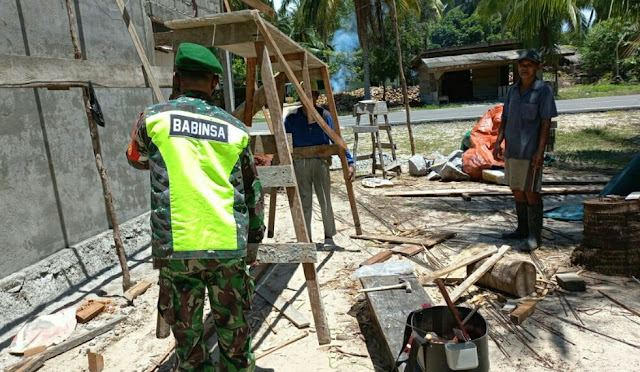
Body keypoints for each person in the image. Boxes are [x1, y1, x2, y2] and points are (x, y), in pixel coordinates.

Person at [126, 43, 264, 372]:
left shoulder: (154, 118)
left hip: (177, 247)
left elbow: (135, 157)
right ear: (215, 83)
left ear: (177, 79)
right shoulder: (235, 129)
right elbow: (252, 189)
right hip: (226, 245)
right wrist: (254, 238)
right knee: (234, 335)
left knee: (188, 340)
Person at [493, 49, 558, 251]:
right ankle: (522, 230)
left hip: (530, 152)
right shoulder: (512, 91)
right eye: (521, 64)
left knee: (531, 192)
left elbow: (546, 123)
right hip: (512, 150)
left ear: (538, 67)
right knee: (517, 190)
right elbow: (504, 118)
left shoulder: (542, 91)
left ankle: (534, 237)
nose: (524, 68)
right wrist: (498, 141)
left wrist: (540, 151)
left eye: (529, 64)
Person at [284, 81, 355, 247]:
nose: (308, 99)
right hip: (300, 163)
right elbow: (283, 142)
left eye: (312, 95)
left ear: (317, 97)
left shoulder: (324, 116)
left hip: (320, 162)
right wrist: (276, 165)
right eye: (305, 95)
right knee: (304, 200)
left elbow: (337, 140)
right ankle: (306, 238)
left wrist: (350, 161)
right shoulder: (292, 118)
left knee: (325, 199)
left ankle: (329, 237)